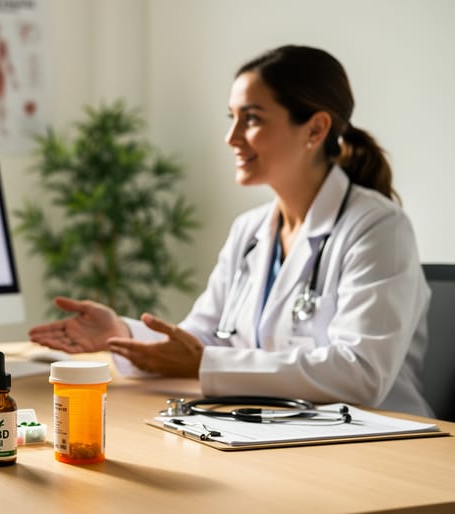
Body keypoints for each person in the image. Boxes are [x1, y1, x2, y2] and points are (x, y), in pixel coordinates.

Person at [28, 45, 433, 418]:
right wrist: (121, 332)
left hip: (378, 438)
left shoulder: (378, 228)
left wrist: (208, 363)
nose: (232, 137)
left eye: (252, 119)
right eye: (232, 117)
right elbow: (202, 338)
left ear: (315, 129)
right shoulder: (251, 230)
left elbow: (361, 374)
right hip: (281, 429)